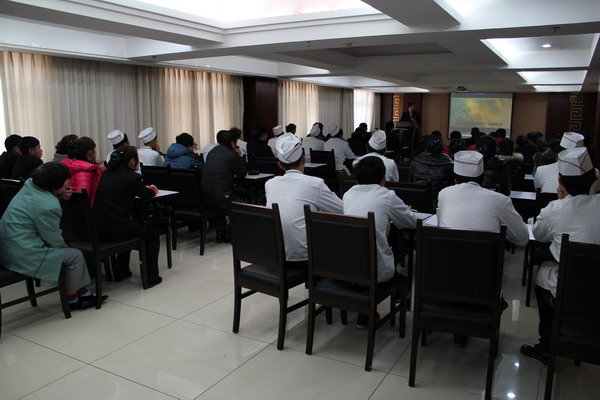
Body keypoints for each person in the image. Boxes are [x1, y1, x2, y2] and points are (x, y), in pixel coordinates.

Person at [520, 147, 600, 366]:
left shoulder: (555, 209)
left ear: (560, 182)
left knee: (544, 273)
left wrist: (561, 200)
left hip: (572, 288)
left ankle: (547, 346)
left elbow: (539, 235)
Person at [0, 162, 106, 309]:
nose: (69, 181)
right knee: (75, 255)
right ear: (54, 184)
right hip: (24, 253)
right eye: (66, 179)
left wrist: (59, 193)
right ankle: (73, 298)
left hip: (7, 248)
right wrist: (65, 246)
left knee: (69, 250)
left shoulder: (30, 186)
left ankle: (80, 290)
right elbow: (52, 238)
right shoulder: (47, 205)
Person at [344, 156, 417, 328]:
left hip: (349, 267)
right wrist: (404, 210)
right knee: (395, 250)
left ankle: (364, 313)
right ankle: (398, 295)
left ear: (356, 178)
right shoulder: (387, 195)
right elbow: (412, 222)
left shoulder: (348, 194)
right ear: (384, 179)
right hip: (376, 271)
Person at [265, 135, 343, 263]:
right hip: (306, 257)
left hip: (275, 255)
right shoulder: (315, 184)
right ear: (304, 160)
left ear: (279, 165)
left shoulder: (269, 184)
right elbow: (342, 210)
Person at [93, 146, 162, 286]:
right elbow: (145, 194)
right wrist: (153, 190)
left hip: (99, 225)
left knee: (130, 228)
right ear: (132, 161)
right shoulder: (132, 177)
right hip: (117, 226)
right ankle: (151, 277)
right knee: (152, 235)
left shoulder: (107, 173)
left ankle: (121, 271)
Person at [437, 151, 528, 247]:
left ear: (455, 180)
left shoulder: (444, 194)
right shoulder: (501, 200)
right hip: (485, 256)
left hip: (447, 254)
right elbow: (522, 239)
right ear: (483, 178)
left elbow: (441, 226)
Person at [201, 130, 247, 241]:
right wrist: (239, 156)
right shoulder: (231, 154)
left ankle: (221, 232)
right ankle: (233, 233)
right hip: (221, 197)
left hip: (204, 195)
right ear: (232, 143)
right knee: (241, 203)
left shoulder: (212, 152)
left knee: (219, 192)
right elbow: (242, 174)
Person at [409, 135, 453, 208]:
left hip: (418, 202)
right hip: (440, 204)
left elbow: (410, 182)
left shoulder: (415, 161)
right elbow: (451, 185)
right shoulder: (447, 161)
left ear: (425, 148)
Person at [61, 137, 105, 205]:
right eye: (94, 149)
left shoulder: (74, 166)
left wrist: (101, 169)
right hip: (86, 209)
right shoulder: (85, 172)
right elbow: (83, 197)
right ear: (90, 152)